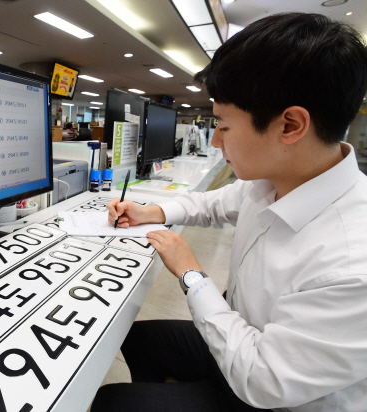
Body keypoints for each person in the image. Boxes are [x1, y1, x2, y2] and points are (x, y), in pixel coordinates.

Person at [94, 13, 367, 412]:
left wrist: (192, 275)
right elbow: (214, 203)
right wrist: (149, 210)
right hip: (244, 334)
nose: (217, 141)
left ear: (290, 125)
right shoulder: (276, 179)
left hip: (276, 396)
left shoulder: (350, 262)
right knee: (138, 339)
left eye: (223, 125)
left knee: (114, 402)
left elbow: (263, 381)